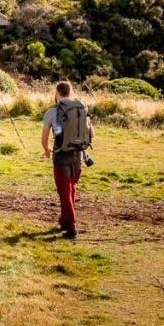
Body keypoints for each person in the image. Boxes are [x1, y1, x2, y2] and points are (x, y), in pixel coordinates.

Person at [41, 81, 92, 239]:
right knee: (72, 188)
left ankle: (71, 228)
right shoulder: (81, 108)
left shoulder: (52, 111)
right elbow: (92, 133)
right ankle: (65, 220)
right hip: (78, 154)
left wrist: (47, 149)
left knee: (65, 192)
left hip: (61, 154)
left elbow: (44, 138)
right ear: (71, 92)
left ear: (57, 92)